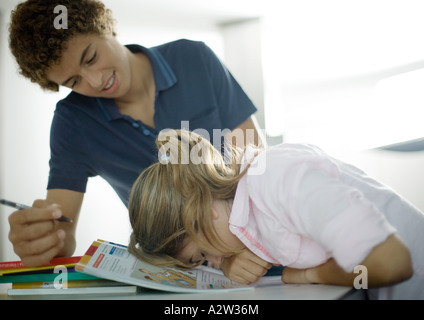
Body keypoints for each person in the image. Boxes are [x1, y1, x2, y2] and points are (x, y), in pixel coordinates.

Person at [7, 0, 272, 283]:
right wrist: (43, 241)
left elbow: (260, 172)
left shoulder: (194, 60)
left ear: (105, 26)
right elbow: (63, 232)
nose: (95, 81)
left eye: (91, 57)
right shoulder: (72, 122)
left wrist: (233, 250)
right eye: (74, 81)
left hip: (253, 246)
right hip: (175, 274)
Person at [128, 129, 424, 299]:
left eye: (204, 255)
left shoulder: (275, 178)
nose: (215, 264)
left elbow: (392, 263)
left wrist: (307, 275)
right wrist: (229, 262)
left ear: (199, 210)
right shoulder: (246, 211)